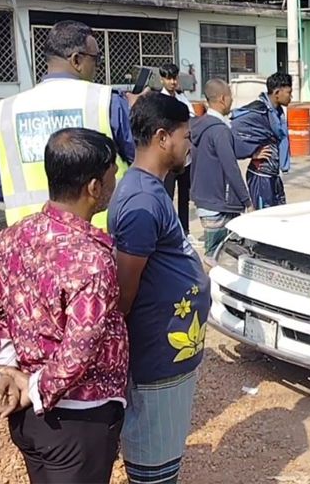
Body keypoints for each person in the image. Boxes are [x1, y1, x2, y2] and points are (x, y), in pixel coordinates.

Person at [0, 128, 128, 484]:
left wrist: (8, 368)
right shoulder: (91, 259)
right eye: (112, 175)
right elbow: (81, 346)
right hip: (76, 421)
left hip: (29, 418)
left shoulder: (14, 235)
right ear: (93, 188)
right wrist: (35, 388)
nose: (116, 181)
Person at [109, 93, 211, 484]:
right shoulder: (141, 200)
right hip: (156, 357)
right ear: (163, 137)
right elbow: (124, 289)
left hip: (170, 352)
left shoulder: (152, 191)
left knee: (164, 454)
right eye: (187, 136)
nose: (189, 145)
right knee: (154, 462)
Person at [0, 19, 136, 230]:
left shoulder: (7, 110)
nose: (97, 66)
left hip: (32, 246)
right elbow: (141, 165)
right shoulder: (106, 102)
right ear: (76, 60)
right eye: (97, 59)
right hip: (102, 241)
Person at [190, 79, 257, 256]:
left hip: (204, 199)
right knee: (216, 256)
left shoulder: (200, 125)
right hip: (219, 202)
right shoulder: (219, 131)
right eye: (230, 96)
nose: (232, 101)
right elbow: (231, 168)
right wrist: (247, 202)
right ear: (222, 98)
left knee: (213, 252)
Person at [232, 72, 293, 209]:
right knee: (263, 218)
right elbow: (234, 129)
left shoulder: (277, 113)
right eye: (289, 92)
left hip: (273, 175)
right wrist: (251, 152)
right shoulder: (259, 111)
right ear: (277, 92)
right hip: (260, 176)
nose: (291, 96)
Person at [160, 63, 195, 237]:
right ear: (162, 79)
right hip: (169, 156)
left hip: (185, 155)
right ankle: (169, 232)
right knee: (167, 194)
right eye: (168, 78)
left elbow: (192, 118)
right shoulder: (158, 101)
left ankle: (185, 231)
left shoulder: (182, 99)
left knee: (184, 196)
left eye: (174, 78)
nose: (172, 82)